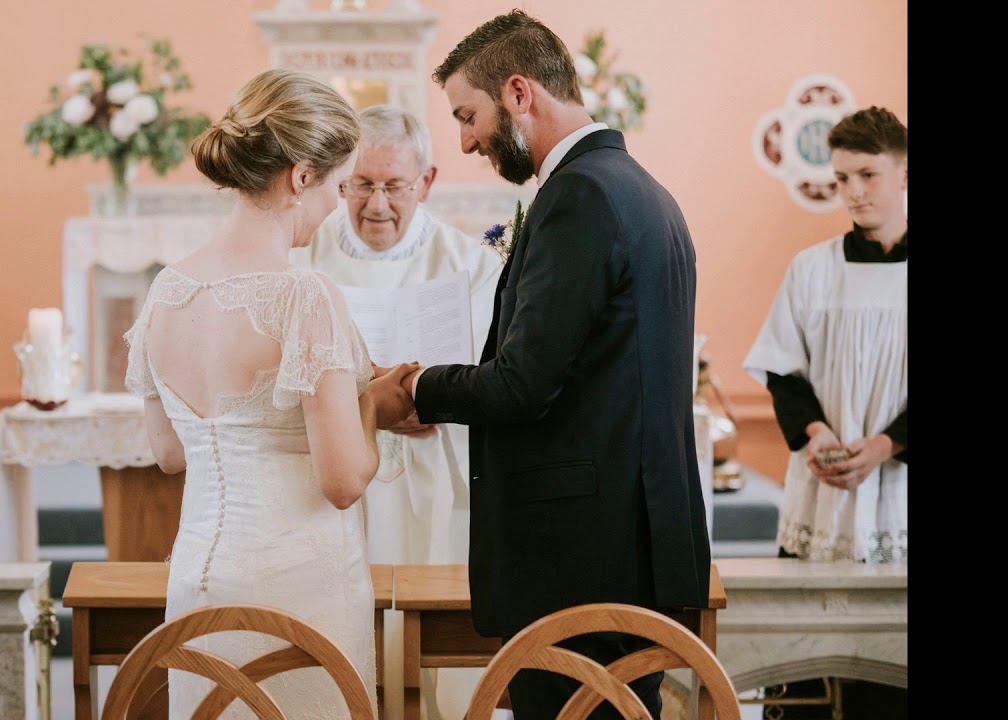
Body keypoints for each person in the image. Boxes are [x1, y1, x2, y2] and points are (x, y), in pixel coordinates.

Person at [395, 10, 713, 719]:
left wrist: (417, 387)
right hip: (630, 540)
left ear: (519, 92)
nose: (466, 139)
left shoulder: (581, 195)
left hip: (578, 555)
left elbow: (523, 383)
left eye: (468, 115)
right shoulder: (643, 191)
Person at [123, 68, 417, 719]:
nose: (339, 205)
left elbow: (170, 454)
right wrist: (372, 404)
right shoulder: (302, 295)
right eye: (340, 186)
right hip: (297, 587)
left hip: (198, 581)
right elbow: (342, 481)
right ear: (301, 177)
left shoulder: (167, 290)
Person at [291, 103, 505, 720]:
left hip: (433, 471)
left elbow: (495, 373)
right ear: (340, 181)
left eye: (394, 186)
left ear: (426, 182)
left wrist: (433, 396)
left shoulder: (470, 265)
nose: (377, 204)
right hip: (336, 476)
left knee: (431, 636)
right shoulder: (305, 259)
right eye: (361, 185)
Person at [742, 106, 908, 717]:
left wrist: (886, 445)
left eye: (867, 175)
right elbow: (783, 371)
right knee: (805, 672)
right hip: (824, 491)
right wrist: (815, 434)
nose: (853, 192)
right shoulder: (812, 270)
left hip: (898, 495)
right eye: (842, 179)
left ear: (904, 174)